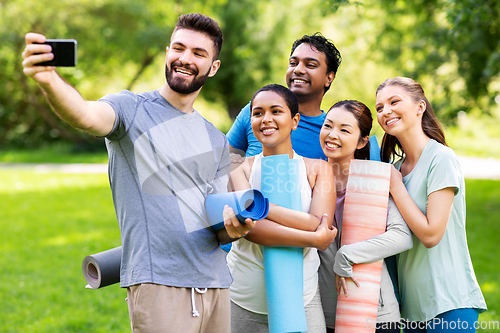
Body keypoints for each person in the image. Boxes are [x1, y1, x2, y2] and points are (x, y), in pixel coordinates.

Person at [22, 13, 254, 333]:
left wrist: (234, 228)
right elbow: (86, 115)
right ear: (167, 51)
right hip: (159, 284)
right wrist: (49, 79)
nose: (185, 58)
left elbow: (214, 225)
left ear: (213, 67)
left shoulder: (215, 138)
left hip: (216, 284)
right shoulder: (131, 109)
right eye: (178, 48)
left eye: (198, 53)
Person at [375, 77, 487, 332]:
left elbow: (431, 234)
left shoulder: (441, 159)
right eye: (380, 107)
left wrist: (396, 187)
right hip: (411, 312)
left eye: (394, 102)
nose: (386, 111)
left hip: (449, 305)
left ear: (420, 107)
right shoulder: (393, 170)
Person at [223, 84, 338, 333]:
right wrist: (313, 238)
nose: (266, 119)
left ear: (294, 120)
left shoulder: (318, 169)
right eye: (258, 113)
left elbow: (320, 222)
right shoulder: (240, 170)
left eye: (276, 111)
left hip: (302, 299)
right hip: (244, 301)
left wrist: (261, 206)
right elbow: (252, 231)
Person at [318, 100, 413, 333]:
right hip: (323, 311)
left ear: (362, 141)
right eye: (328, 126)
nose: (332, 135)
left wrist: (347, 255)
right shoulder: (310, 177)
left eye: (344, 130)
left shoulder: (374, 179)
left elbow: (402, 236)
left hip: (375, 313)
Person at [226, 33, 342, 161]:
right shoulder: (257, 112)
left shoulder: (331, 133)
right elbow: (219, 163)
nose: (298, 70)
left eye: (310, 65)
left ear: (329, 77)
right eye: (293, 63)